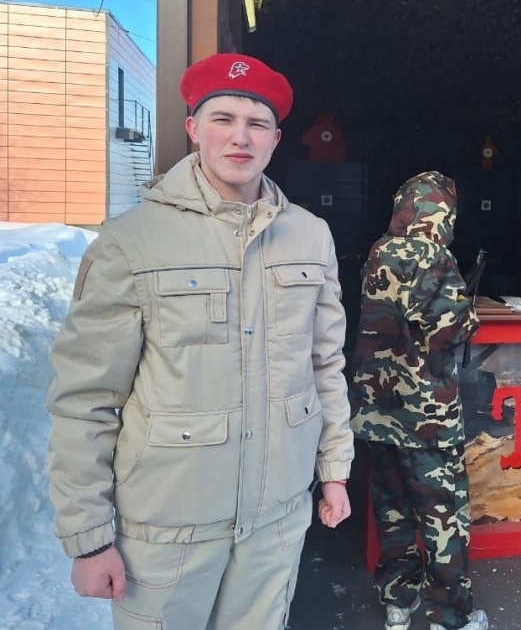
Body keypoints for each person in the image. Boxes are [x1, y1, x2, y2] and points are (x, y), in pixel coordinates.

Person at [46, 53, 354, 629]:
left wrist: (334, 470)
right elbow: (86, 398)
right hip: (166, 527)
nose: (240, 137)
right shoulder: (132, 241)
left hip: (274, 520)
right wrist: (88, 538)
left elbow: (323, 367)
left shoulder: (311, 237)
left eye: (257, 123)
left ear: (276, 139)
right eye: (223, 119)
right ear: (193, 129)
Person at [350, 171, 488, 630]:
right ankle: (450, 616)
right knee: (442, 517)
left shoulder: (378, 251)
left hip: (377, 411)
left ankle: (398, 601)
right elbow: (449, 332)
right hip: (427, 416)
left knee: (392, 511)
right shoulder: (436, 257)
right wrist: (468, 310)